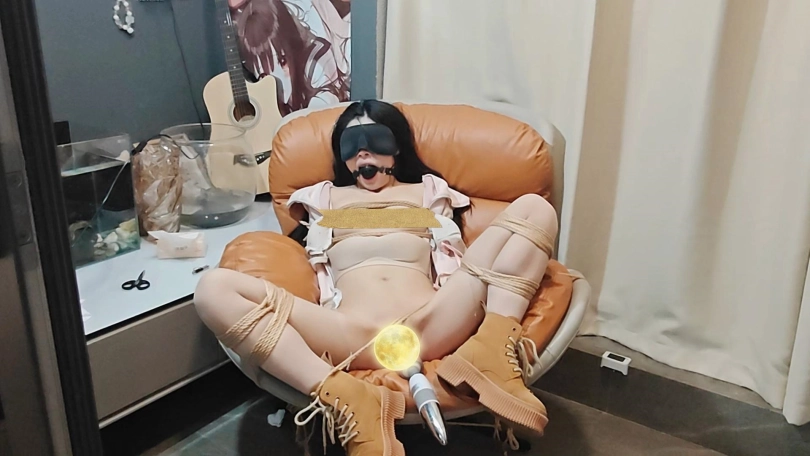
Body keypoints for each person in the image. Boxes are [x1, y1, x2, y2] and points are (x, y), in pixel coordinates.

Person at [193, 100, 558, 456]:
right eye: (352, 144)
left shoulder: (428, 191)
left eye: (376, 140)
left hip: (433, 322)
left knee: (536, 209)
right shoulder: (323, 198)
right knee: (212, 289)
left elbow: (462, 253)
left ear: (396, 147)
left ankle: (492, 353)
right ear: (342, 156)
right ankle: (349, 398)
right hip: (350, 333)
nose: (364, 153)